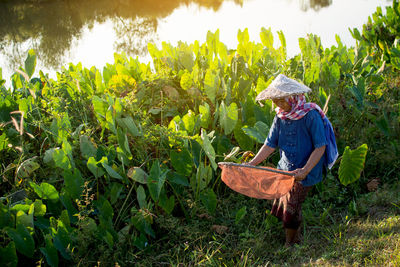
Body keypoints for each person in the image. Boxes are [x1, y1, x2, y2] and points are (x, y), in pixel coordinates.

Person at [247, 74, 336, 247]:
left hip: (306, 171)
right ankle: (297, 238)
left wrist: (305, 171)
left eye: (281, 100)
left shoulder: (310, 115)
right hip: (285, 169)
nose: (278, 104)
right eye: (275, 101)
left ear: (292, 97)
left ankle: (289, 245)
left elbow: (320, 146)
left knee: (291, 207)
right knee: (289, 205)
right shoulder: (280, 117)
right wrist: (251, 164)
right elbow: (270, 145)